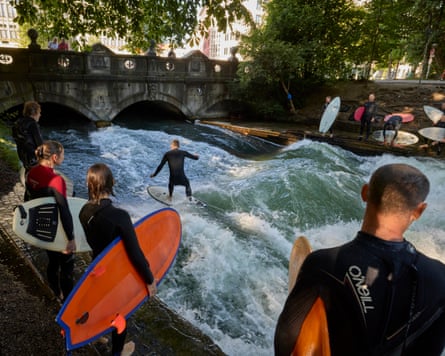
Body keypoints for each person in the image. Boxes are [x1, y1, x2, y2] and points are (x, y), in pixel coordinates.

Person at [275, 163, 445, 355]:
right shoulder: (440, 277)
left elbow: (287, 341)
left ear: (365, 192)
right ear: (419, 211)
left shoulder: (324, 265)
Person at [79, 163, 157, 356]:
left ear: (89, 184)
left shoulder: (84, 211)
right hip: (115, 274)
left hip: (96, 267)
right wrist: (149, 279)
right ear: (112, 182)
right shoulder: (119, 216)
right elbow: (135, 253)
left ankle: (97, 333)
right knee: (120, 313)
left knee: (100, 304)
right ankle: (118, 351)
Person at [25, 141, 76, 301]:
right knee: (67, 266)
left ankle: (55, 292)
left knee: (53, 261)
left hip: (40, 224)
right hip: (56, 227)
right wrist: (71, 238)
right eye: (62, 154)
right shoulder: (56, 180)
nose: (63, 157)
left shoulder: (31, 173)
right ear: (55, 157)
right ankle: (67, 301)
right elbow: (64, 210)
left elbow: (27, 199)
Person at [12, 101, 44, 172]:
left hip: (22, 154)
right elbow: (40, 144)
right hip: (33, 157)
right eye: (39, 112)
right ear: (34, 113)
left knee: (28, 172)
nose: (40, 115)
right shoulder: (33, 124)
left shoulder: (17, 123)